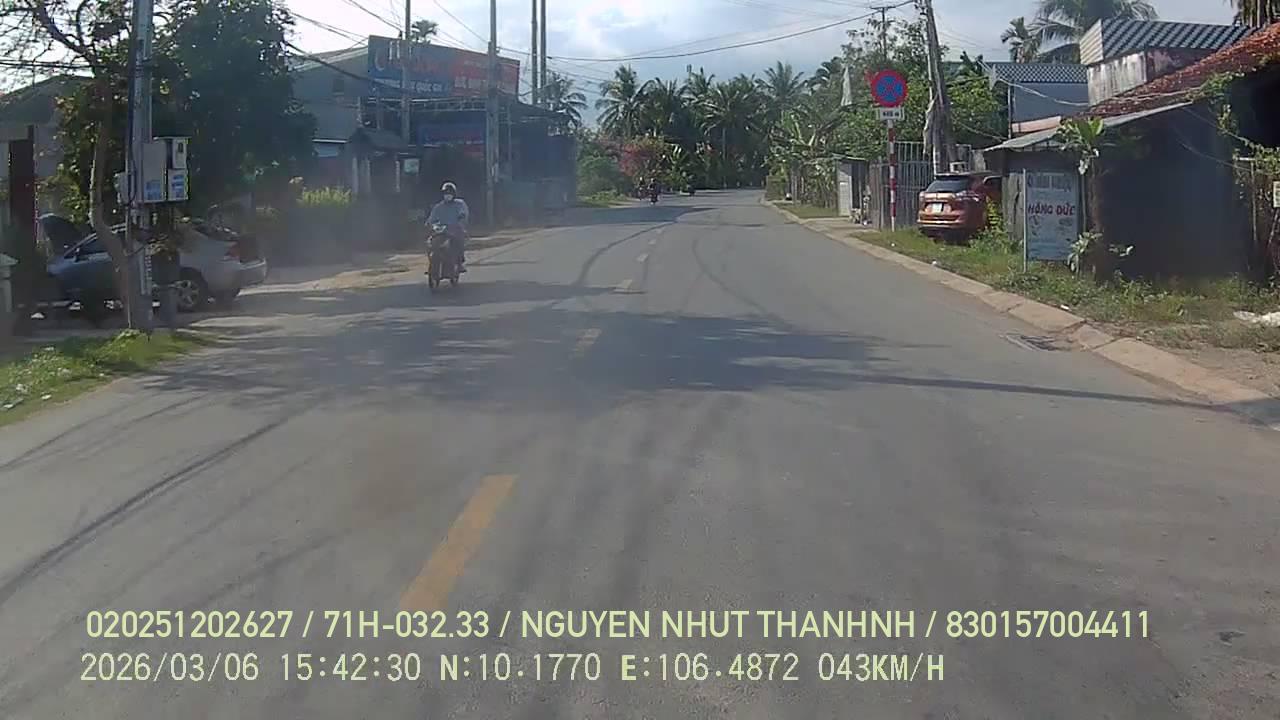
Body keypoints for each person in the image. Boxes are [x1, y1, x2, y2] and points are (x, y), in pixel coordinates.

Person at [427, 181, 470, 272]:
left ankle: (459, 263)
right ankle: (432, 265)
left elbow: (463, 214)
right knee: (430, 243)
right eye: (445, 193)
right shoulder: (438, 207)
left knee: (459, 241)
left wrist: (460, 221)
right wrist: (429, 224)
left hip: (455, 230)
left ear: (454, 194)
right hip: (441, 231)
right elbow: (431, 219)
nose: (447, 195)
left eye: (449, 193)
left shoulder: (459, 204)